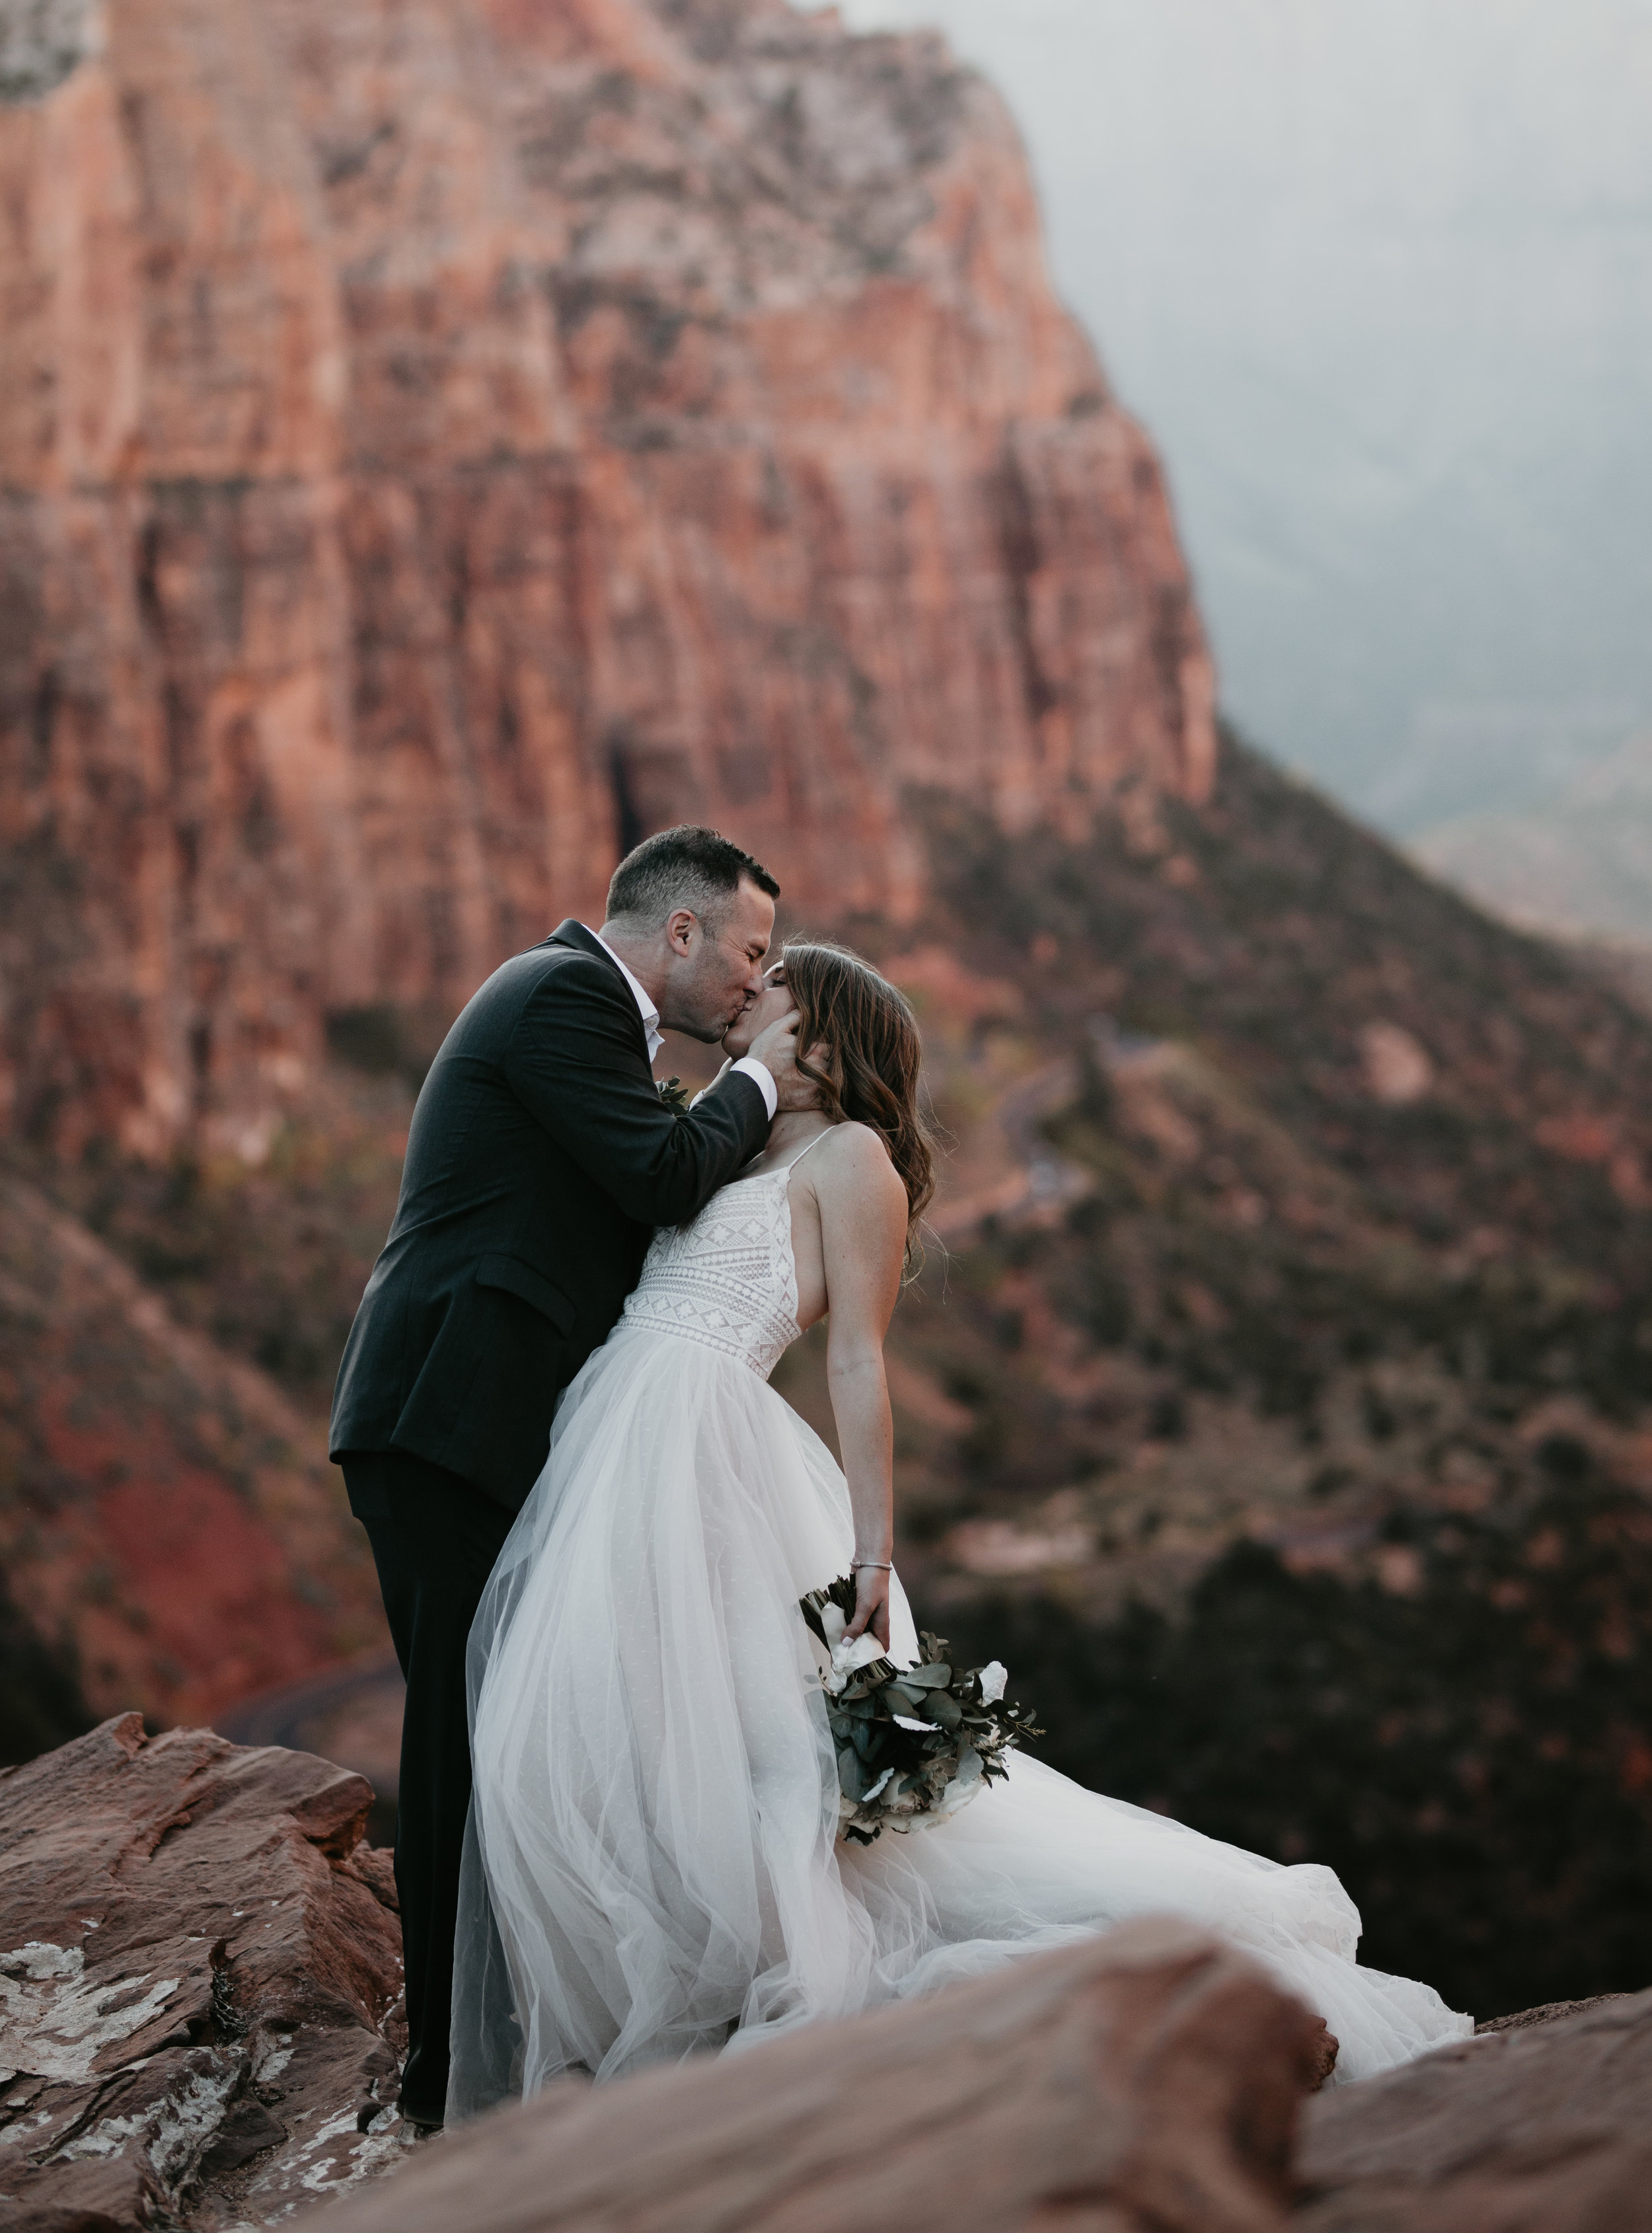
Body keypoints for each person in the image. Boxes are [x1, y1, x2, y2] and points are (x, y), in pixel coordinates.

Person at [450, 943, 1472, 2115]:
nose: (750, 991)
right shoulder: (728, 1137)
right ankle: (666, 1970)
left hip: (705, 1451)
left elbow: (857, 1364)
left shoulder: (854, 1159)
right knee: (617, 1717)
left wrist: (874, 1555)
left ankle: (759, 1976)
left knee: (765, 1750)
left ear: (823, 1034)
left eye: (772, 982)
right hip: (614, 1437)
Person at [329, 824, 799, 2128]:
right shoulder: (565, 998)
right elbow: (657, 1180)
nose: (752, 987)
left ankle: (517, 2027)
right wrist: (762, 1081)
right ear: (682, 932)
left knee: (521, 1727)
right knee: (464, 1737)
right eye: (747, 954)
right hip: (445, 1419)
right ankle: (445, 2076)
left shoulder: (579, 1011)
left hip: (476, 1423)